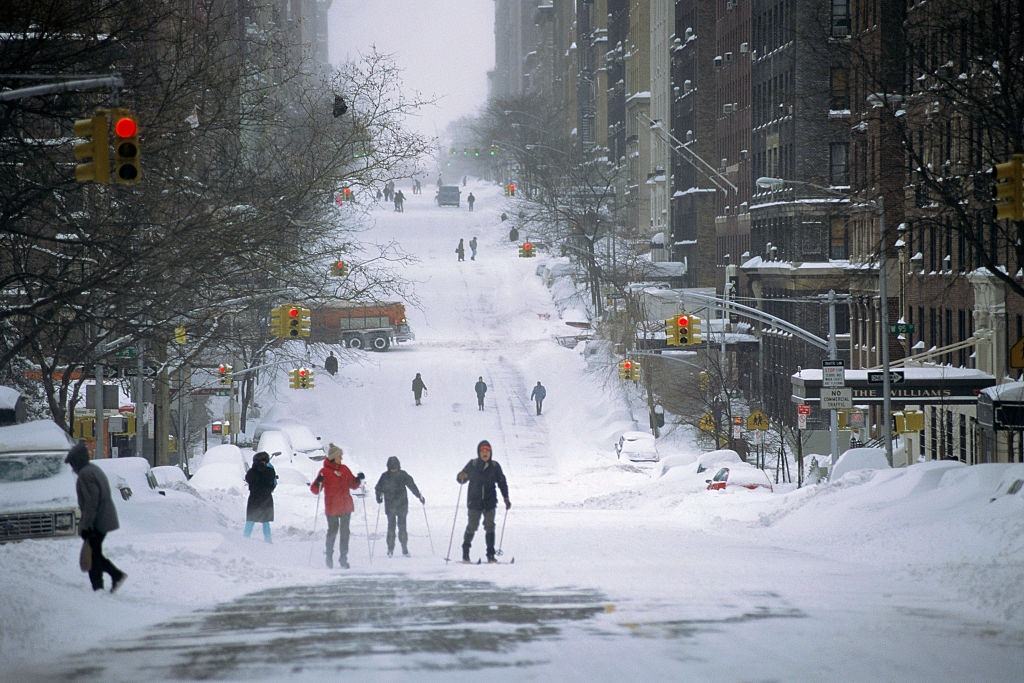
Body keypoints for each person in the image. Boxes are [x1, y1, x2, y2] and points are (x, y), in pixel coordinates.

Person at [66, 442, 127, 592]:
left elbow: (91, 502)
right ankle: (104, 582)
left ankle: (109, 579)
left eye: (72, 464)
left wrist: (87, 525)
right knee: (95, 553)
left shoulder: (85, 474)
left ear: (77, 462)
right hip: (103, 518)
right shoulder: (93, 469)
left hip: (97, 521)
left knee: (93, 555)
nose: (72, 468)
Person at [310, 444, 364, 568]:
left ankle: (343, 559)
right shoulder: (324, 472)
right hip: (332, 508)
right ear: (334, 457)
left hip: (346, 507)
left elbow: (353, 485)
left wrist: (358, 479)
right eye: (340, 456)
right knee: (332, 532)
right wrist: (318, 481)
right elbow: (314, 490)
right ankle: (329, 556)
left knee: (345, 533)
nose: (342, 458)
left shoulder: (344, 469)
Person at [456, 440, 510, 563]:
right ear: (479, 452)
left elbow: (502, 482)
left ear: (491, 453)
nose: (485, 453)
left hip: (490, 502)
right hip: (474, 503)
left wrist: (506, 498)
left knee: (490, 526)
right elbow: (461, 478)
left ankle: (490, 555)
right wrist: (461, 476)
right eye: (482, 451)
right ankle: (465, 553)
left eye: (487, 451)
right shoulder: (473, 464)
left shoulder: (495, 466)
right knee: (472, 526)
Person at [374, 456, 424, 557]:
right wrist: (378, 496)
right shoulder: (390, 475)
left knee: (400, 527)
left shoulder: (395, 475)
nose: (394, 469)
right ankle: (391, 549)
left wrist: (419, 495)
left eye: (395, 467)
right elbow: (378, 488)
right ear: (389, 466)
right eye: (392, 467)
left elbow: (412, 486)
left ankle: (403, 548)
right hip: (394, 505)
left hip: (400, 505)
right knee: (394, 527)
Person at [244, 451, 277, 543]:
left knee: (250, 520)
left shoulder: (252, 472)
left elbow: (248, 478)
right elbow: (273, 483)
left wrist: (254, 468)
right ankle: (268, 540)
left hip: (254, 499)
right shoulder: (270, 471)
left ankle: (245, 539)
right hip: (266, 499)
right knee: (265, 522)